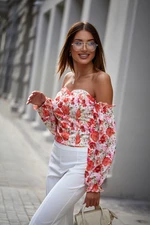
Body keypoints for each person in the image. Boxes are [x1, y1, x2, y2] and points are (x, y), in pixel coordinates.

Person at [26, 21, 116, 225]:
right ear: (69, 47)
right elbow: (59, 127)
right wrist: (44, 104)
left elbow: (106, 135)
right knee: (59, 222)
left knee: (39, 222)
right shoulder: (68, 78)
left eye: (90, 43)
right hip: (57, 157)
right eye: (78, 43)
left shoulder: (101, 79)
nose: (85, 49)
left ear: (97, 47)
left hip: (81, 163)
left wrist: (95, 183)